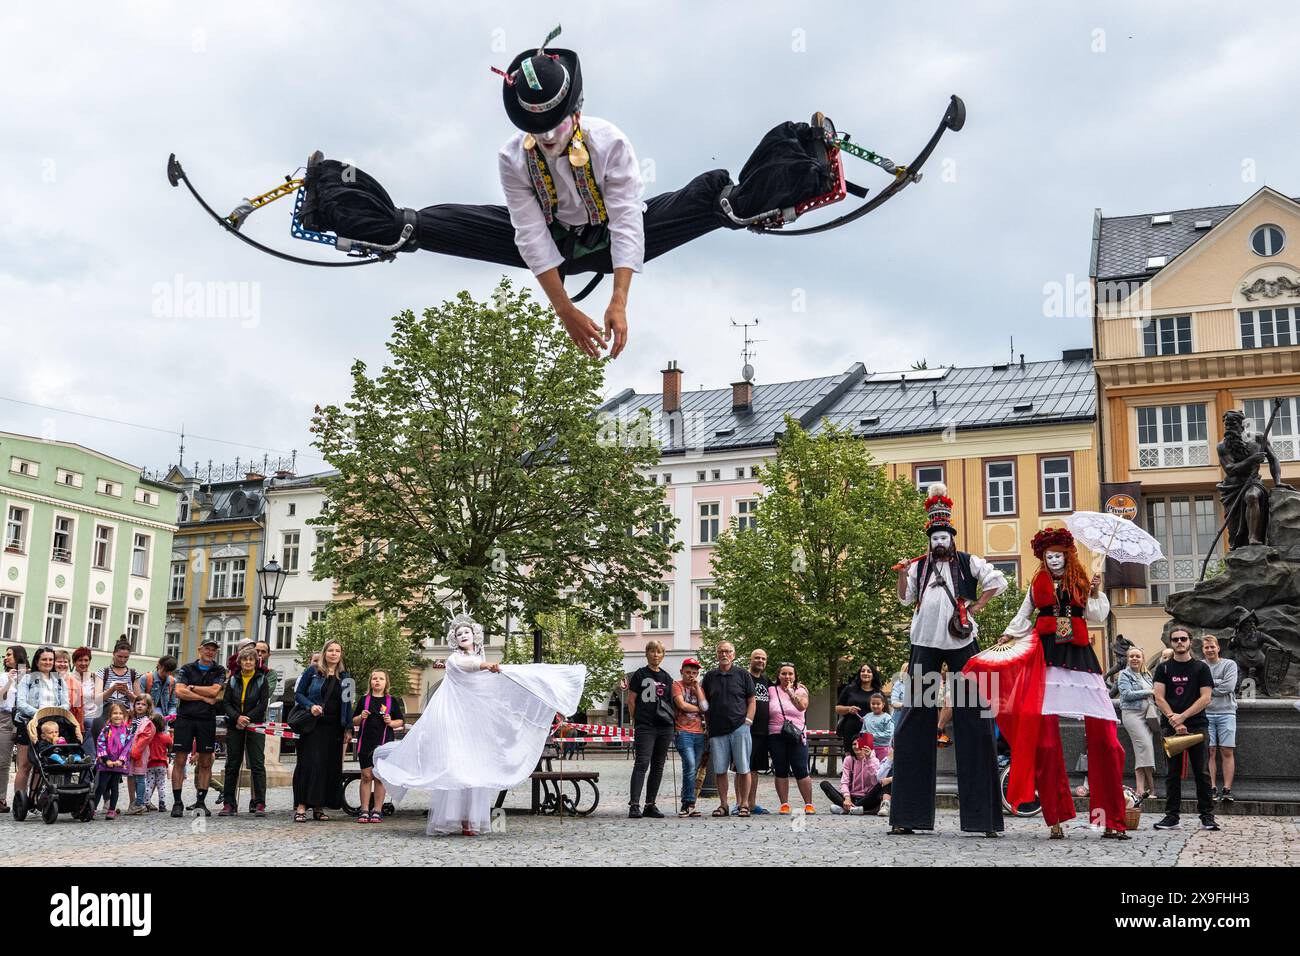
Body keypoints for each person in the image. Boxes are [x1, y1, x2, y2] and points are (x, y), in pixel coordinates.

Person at [968, 527, 1128, 840]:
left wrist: (1096, 591)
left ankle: (1110, 818)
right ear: (1043, 558)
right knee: (1045, 742)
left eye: (1057, 555)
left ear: (1068, 555)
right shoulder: (1037, 584)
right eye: (1048, 556)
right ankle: (1055, 817)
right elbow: (1024, 614)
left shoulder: (1083, 581)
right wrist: (1010, 634)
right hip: (1046, 660)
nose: (1053, 560)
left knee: (1106, 739)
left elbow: (1097, 615)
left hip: (1081, 660)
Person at [373, 613, 585, 836]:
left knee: (475, 773)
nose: (463, 636)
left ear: (474, 635)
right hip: (455, 724)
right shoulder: (455, 659)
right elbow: (469, 664)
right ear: (455, 639)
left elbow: (490, 686)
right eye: (459, 634)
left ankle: (470, 822)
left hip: (474, 727)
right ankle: (452, 820)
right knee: (458, 770)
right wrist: (487, 665)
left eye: (467, 632)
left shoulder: (481, 658)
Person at [890, 483, 1006, 837]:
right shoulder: (918, 566)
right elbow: (904, 599)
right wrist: (899, 574)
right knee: (914, 720)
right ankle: (909, 815)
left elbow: (997, 581)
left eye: (945, 535)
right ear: (929, 538)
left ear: (951, 537)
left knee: (975, 718)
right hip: (924, 643)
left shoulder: (969, 562)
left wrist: (977, 606)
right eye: (935, 536)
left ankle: (983, 817)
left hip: (961, 643)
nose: (940, 540)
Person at [1152, 627, 1217, 831]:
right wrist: (1174, 719)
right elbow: (1158, 697)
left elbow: (1206, 697)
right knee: (1171, 773)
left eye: (1183, 639)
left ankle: (1207, 816)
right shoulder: (1163, 668)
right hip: (1170, 727)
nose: (1179, 642)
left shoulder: (1201, 668)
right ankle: (1172, 816)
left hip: (1197, 726)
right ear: (1170, 643)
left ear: (1190, 642)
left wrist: (1183, 717)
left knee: (1202, 772)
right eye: (1175, 639)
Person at [292, 639, 353, 822]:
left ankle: (319, 807)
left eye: (337, 650)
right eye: (330, 650)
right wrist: (311, 706)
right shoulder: (313, 672)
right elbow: (299, 694)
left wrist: (348, 728)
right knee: (310, 765)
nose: (334, 654)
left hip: (334, 728)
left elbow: (348, 705)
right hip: (314, 726)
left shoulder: (346, 677)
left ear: (341, 654)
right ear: (324, 653)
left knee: (327, 766)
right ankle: (301, 807)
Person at [170, 636, 227, 818]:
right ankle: (177, 802)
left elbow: (214, 691)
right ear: (200, 650)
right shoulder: (187, 668)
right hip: (185, 718)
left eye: (213, 649)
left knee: (205, 762)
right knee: (180, 760)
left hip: (206, 720)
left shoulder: (219, 670)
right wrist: (203, 697)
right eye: (207, 648)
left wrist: (192, 688)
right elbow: (179, 691)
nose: (210, 652)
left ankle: (201, 802)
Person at [701, 641, 756, 818]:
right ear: (716, 655)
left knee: (743, 768)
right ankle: (724, 804)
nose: (724, 654)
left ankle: (744, 804)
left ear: (734, 654)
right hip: (717, 730)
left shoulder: (742, 675)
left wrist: (748, 720)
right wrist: (707, 726)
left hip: (740, 727)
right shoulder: (709, 677)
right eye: (721, 651)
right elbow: (704, 704)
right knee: (720, 769)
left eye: (728, 651)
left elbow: (751, 700)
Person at [14, 646, 70, 799]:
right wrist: (40, 714)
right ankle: (21, 800)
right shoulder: (27, 679)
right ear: (37, 662)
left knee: (42, 764)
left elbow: (66, 704)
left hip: (51, 727)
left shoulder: (59, 680)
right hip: (29, 724)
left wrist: (54, 714)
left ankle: (34, 798)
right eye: (44, 659)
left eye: (50, 659)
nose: (48, 662)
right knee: (25, 765)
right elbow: (21, 704)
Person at [626, 640, 674, 819]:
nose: (655, 655)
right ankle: (634, 804)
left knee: (658, 766)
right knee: (642, 763)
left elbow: (670, 702)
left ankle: (650, 804)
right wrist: (635, 720)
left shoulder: (667, 677)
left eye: (659, 652)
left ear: (663, 655)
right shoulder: (640, 674)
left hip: (664, 727)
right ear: (647, 654)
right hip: (645, 726)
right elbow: (631, 700)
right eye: (652, 652)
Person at [221, 646, 270, 817]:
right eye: (245, 659)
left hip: (255, 725)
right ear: (239, 662)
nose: (248, 662)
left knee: (257, 764)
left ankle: (260, 803)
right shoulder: (233, 680)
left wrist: (247, 718)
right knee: (232, 764)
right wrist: (237, 718)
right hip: (235, 725)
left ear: (256, 662)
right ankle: (229, 803)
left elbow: (263, 704)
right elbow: (226, 703)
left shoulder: (261, 679)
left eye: (251, 659)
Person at [352, 668, 405, 824]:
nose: (377, 681)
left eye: (381, 679)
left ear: (386, 682)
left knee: (379, 778)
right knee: (366, 776)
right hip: (365, 742)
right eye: (374, 678)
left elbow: (400, 722)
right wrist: (360, 717)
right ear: (370, 682)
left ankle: (377, 809)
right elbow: (353, 720)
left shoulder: (391, 701)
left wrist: (391, 722)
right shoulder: (364, 700)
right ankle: (364, 809)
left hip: (384, 744)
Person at [768, 662, 815, 815]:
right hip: (776, 733)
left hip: (797, 734)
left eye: (790, 674)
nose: (787, 676)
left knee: (801, 769)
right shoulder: (771, 690)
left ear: (795, 676)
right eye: (784, 673)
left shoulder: (800, 690)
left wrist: (790, 692)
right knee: (780, 769)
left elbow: (801, 706)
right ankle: (784, 804)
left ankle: (808, 804)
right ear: (778, 675)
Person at [1117, 645, 1158, 802]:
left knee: (1144, 750)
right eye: (1131, 656)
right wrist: (1149, 692)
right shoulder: (1124, 674)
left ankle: (1143, 788)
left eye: (1137, 656)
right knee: (1145, 747)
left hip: (1148, 716)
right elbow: (1126, 695)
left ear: (1142, 659)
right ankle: (1148, 787)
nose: (1134, 659)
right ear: (1128, 659)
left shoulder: (1147, 675)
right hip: (1133, 715)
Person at [1201, 634, 1238, 804]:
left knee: (1227, 751)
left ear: (1218, 648)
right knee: (1210, 751)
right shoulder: (1200, 666)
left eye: (1212, 646)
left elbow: (1229, 687)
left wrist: (1207, 687)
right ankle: (1212, 787)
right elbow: (1196, 687)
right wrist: (1217, 683)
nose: (1210, 650)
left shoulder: (1229, 664)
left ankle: (1227, 789)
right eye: (1206, 647)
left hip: (1226, 712)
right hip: (1205, 713)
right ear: (1203, 650)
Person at [671, 657, 708, 818]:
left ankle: (690, 803)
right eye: (688, 672)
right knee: (690, 765)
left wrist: (697, 688)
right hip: (682, 731)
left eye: (694, 673)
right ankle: (687, 802)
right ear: (681, 672)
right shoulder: (676, 685)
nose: (691, 675)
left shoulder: (698, 688)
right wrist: (700, 709)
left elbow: (706, 706)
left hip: (699, 733)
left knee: (693, 768)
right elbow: (682, 705)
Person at [820, 733, 885, 814]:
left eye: (859, 743)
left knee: (881, 785)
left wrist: (868, 760)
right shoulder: (849, 760)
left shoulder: (874, 760)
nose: (856, 746)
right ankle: (854, 809)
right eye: (854, 744)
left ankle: (845, 809)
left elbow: (875, 781)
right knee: (824, 784)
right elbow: (844, 782)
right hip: (851, 797)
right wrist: (847, 797)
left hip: (867, 798)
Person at [741, 648, 773, 815]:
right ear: (750, 659)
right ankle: (741, 803)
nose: (761, 661)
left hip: (763, 731)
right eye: (757, 658)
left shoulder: (767, 680)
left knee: (754, 769)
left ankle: (752, 804)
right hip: (746, 730)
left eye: (763, 658)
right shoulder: (743, 677)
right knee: (742, 768)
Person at [91, 701, 135, 820]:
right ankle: (93, 809)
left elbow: (127, 747)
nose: (118, 715)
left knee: (114, 787)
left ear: (124, 716)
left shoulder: (127, 731)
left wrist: (121, 761)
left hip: (118, 764)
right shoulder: (106, 729)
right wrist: (106, 760)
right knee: (101, 786)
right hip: (106, 764)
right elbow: (100, 744)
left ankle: (111, 810)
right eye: (115, 713)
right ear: (110, 715)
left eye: (121, 713)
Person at [0, 645, 29, 812]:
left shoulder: (30, 676)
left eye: (9, 654)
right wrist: (10, 680)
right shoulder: (3, 676)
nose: (6, 657)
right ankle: (1, 799)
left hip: (24, 719)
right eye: (5, 655)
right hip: (5, 719)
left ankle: (23, 800)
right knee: (3, 762)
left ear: (19, 656)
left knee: (25, 763)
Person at [836, 662, 881, 754]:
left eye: (869, 671)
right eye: (863, 671)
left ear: (873, 675)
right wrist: (848, 709)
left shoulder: (878, 693)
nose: (865, 673)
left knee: (868, 759)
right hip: (851, 730)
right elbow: (837, 708)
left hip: (870, 731)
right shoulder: (849, 689)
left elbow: (884, 713)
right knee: (850, 759)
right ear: (859, 674)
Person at [123, 694, 154, 814]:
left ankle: (139, 803)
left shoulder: (147, 723)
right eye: (138, 703)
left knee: (140, 777)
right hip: (129, 752)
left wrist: (133, 752)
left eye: (143, 704)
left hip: (139, 754)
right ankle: (132, 802)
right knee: (130, 777)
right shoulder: (131, 720)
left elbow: (144, 740)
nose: (140, 706)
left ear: (148, 707)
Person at [69, 646, 100, 751]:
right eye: (80, 660)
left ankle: (90, 760)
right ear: (74, 662)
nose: (83, 663)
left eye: (86, 660)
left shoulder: (94, 677)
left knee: (90, 723)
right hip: (73, 716)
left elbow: (98, 699)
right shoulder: (68, 678)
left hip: (91, 716)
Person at [141, 714, 173, 811]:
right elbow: (171, 746)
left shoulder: (148, 738)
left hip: (150, 764)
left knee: (149, 784)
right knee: (161, 784)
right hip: (162, 764)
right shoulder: (166, 737)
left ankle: (145, 802)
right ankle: (162, 804)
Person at [137, 655, 179, 722]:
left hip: (163, 721)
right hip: (146, 719)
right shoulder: (145, 678)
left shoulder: (172, 681)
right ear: (159, 666)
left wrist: (172, 714)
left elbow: (172, 704)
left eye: (169, 672)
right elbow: (139, 701)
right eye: (164, 671)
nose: (166, 674)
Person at [860, 693, 894, 761]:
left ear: (883, 704)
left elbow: (889, 734)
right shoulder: (867, 717)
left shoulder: (887, 718)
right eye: (873, 704)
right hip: (868, 749)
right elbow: (863, 731)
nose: (875, 706)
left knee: (881, 768)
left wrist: (872, 735)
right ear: (870, 704)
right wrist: (863, 736)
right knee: (870, 767)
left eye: (878, 704)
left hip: (883, 749)